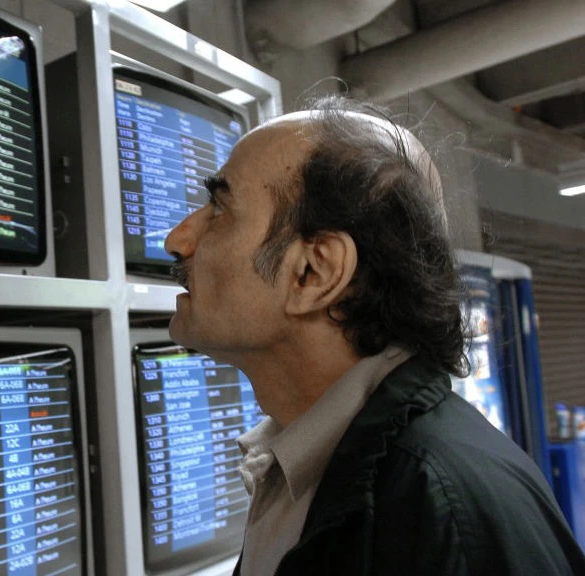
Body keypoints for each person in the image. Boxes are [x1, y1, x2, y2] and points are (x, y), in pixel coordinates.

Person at [163, 94, 585, 575]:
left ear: (314, 273)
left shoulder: (442, 508)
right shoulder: (312, 470)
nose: (177, 239)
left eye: (219, 209)